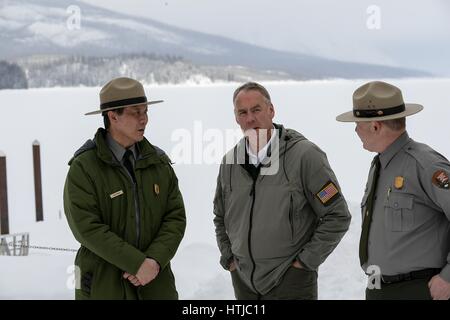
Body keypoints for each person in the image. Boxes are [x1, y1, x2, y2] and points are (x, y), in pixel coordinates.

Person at [213, 82, 351, 300]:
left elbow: (337, 215)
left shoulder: (305, 156)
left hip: (290, 285)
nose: (250, 118)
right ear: (236, 117)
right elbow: (220, 217)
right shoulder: (230, 163)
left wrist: (303, 264)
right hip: (244, 285)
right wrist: (230, 259)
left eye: (256, 110)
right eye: (243, 112)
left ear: (271, 110)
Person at [63, 77, 186, 299]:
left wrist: (154, 262)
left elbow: (175, 217)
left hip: (156, 285)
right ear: (113, 116)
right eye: (135, 113)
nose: (144, 119)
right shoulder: (84, 167)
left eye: (146, 112)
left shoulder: (158, 162)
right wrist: (136, 264)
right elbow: (86, 227)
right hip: (103, 287)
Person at [336, 80, 450, 300]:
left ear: (376, 126)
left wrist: (448, 278)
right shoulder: (380, 165)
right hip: (380, 288)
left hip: (419, 290)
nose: (355, 130)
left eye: (358, 123)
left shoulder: (424, 165)